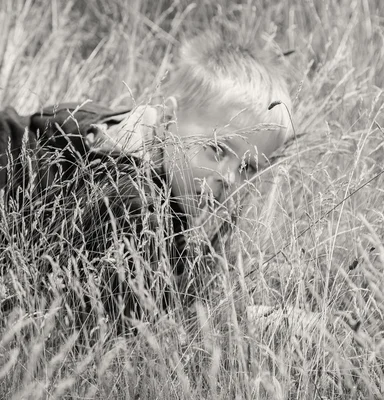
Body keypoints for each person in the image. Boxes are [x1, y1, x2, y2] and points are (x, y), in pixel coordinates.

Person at [0, 31, 292, 326]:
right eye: (216, 149)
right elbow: (134, 325)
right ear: (168, 119)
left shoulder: (129, 127)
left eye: (247, 168)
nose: (228, 177)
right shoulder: (133, 202)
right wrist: (247, 320)